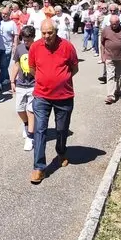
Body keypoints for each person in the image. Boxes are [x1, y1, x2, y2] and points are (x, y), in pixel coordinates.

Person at [28, 19, 79, 185]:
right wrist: (45, 81)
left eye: (49, 33)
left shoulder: (67, 46)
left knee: (61, 129)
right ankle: (39, 167)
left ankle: (61, 152)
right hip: (42, 96)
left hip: (64, 97)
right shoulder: (35, 47)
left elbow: (74, 68)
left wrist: (61, 80)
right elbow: (33, 68)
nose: (46, 36)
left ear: (56, 32)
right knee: (40, 130)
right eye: (43, 33)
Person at [9, 25, 37, 152]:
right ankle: (26, 124)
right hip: (21, 84)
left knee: (31, 110)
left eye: (28, 40)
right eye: (24, 40)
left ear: (33, 38)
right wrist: (12, 81)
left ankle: (30, 137)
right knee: (20, 109)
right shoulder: (19, 49)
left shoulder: (37, 48)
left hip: (34, 84)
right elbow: (16, 65)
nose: (26, 42)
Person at [100, 14, 121, 104]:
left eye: (115, 24)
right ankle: (110, 95)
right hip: (109, 56)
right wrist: (102, 56)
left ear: (118, 22)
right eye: (112, 24)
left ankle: (117, 91)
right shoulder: (105, 30)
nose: (113, 25)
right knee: (110, 75)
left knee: (120, 76)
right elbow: (102, 43)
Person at [0, 7, 18, 92]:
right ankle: (6, 78)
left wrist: (15, 46)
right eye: (3, 13)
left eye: (6, 14)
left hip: (7, 48)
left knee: (4, 66)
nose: (4, 15)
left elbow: (16, 35)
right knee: (1, 65)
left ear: (9, 14)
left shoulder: (12, 23)